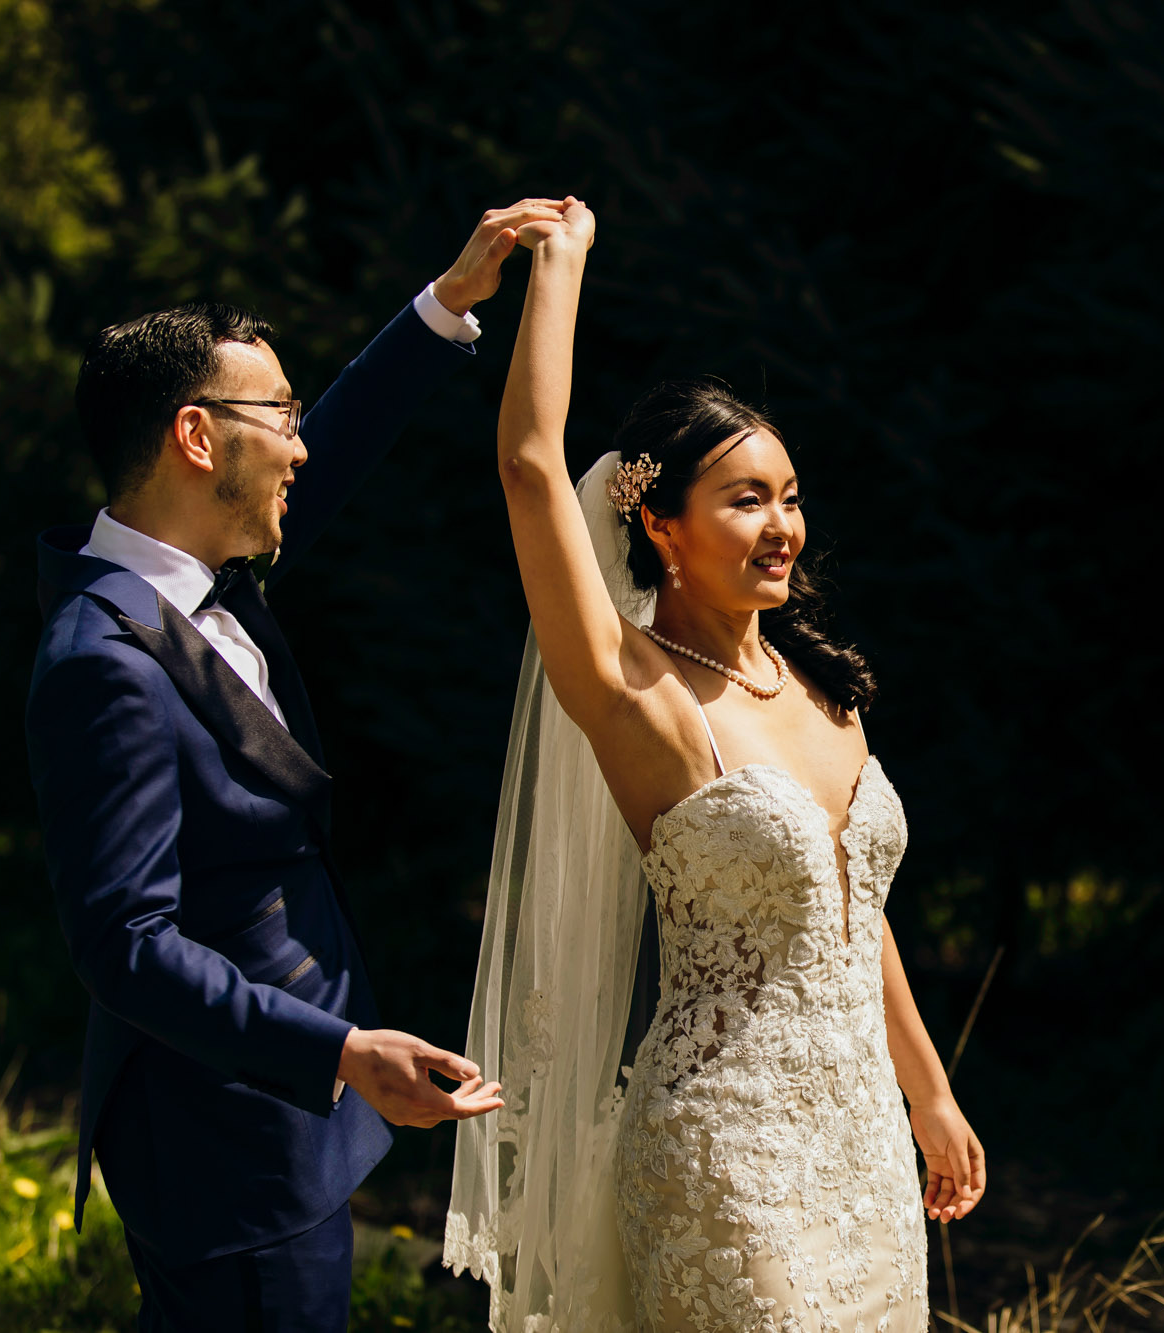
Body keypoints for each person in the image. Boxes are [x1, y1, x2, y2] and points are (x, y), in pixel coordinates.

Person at [25, 201, 568, 1330]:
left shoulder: (201, 566)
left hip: (275, 1126)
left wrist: (449, 303)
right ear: (194, 437)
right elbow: (124, 944)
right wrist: (341, 1051)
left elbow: (326, 463)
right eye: (277, 413)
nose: (299, 439)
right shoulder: (104, 662)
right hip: (223, 1137)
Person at [444, 198, 985, 1332]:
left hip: (864, 1150)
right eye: (746, 499)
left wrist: (926, 1092)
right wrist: (562, 267)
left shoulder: (823, 690)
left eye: (788, 496)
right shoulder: (632, 688)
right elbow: (531, 466)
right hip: (722, 1150)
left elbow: (852, 910)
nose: (782, 523)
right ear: (659, 525)